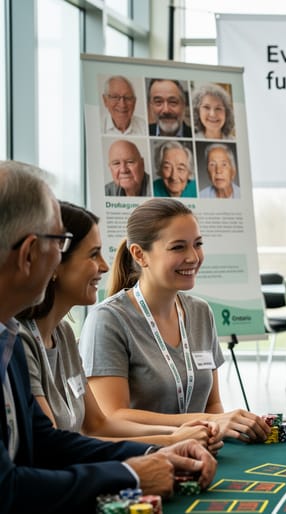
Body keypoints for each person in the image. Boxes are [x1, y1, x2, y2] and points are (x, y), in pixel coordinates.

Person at [0, 160, 216, 512]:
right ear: (27, 254)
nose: (104, 265)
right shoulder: (19, 340)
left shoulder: (8, 339)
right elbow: (7, 488)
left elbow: (46, 442)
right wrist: (132, 474)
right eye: (60, 242)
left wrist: (155, 451)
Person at [16, 201, 221, 451]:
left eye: (198, 244)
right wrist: (170, 441)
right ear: (55, 262)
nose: (104, 265)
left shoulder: (64, 333)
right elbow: (53, 446)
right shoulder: (21, 340)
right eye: (93, 255)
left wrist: (181, 434)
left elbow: (97, 426)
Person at [79, 198, 270, 444]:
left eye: (198, 244)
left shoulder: (201, 312)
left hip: (200, 455)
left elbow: (213, 404)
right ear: (139, 254)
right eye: (178, 247)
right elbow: (111, 417)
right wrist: (204, 423)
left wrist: (217, 430)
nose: (193, 257)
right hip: (142, 462)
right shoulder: (108, 319)